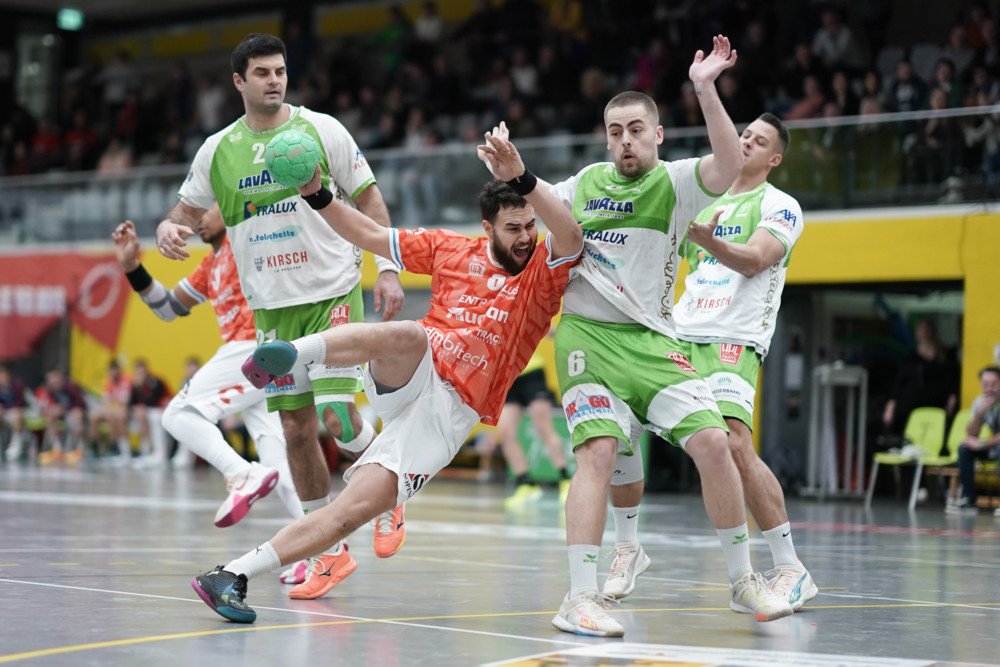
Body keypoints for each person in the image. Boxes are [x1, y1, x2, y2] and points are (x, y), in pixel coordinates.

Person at [190, 136, 583, 624]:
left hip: (450, 413)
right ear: (488, 229)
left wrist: (522, 176)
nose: (526, 236)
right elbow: (369, 234)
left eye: (530, 225)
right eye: (513, 228)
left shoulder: (543, 272)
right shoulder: (452, 249)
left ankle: (231, 575)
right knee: (407, 334)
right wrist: (318, 195)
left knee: (346, 513)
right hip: (416, 367)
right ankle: (292, 354)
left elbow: (570, 237)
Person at [485, 36, 793, 637]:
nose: (624, 140)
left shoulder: (678, 183)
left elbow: (729, 164)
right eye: (615, 131)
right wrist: (519, 178)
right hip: (586, 341)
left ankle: (742, 579)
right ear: (606, 138)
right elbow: (550, 218)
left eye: (635, 130)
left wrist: (705, 88)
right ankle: (579, 596)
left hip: (655, 340)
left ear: (656, 135)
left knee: (713, 441)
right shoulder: (584, 183)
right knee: (598, 454)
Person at [154, 33, 406, 598]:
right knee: (294, 430)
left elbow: (369, 199)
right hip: (272, 309)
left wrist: (387, 268)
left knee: (338, 416)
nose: (275, 80)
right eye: (262, 72)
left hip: (334, 291)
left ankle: (396, 490)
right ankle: (329, 553)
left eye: (281, 71)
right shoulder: (217, 150)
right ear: (239, 82)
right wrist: (169, 226)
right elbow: (186, 210)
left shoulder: (322, 130)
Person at [604, 113, 818, 612]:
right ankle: (628, 548)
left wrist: (705, 239)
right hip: (681, 330)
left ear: (775, 158)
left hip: (733, 339)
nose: (746, 143)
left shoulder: (781, 205)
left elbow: (754, 259)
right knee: (618, 423)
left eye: (759, 141)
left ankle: (790, 567)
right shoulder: (709, 196)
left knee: (735, 444)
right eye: (744, 135)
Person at [113, 209, 306, 538]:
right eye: (193, 212)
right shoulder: (209, 264)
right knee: (278, 465)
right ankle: (326, 549)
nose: (196, 219)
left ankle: (240, 473)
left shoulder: (247, 237)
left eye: (205, 209)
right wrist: (132, 266)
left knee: (176, 415)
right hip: (256, 367)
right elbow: (168, 308)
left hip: (254, 346)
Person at [500, 347, 573, 509]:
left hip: (532, 372)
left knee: (544, 428)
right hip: (509, 375)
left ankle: (565, 479)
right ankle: (526, 484)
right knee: (506, 433)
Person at [882, 317, 959, 439]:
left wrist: (951, 401)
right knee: (909, 437)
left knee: (934, 437)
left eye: (927, 330)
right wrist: (890, 407)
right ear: (916, 334)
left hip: (936, 406)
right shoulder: (911, 358)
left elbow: (952, 382)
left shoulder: (944, 357)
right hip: (911, 406)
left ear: (933, 332)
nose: (924, 334)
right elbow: (898, 384)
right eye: (921, 331)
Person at [946, 366, 1000, 516]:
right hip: (994, 446)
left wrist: (982, 444)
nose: (989, 389)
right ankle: (969, 499)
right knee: (964, 448)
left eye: (993, 384)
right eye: (985, 385)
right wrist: (980, 413)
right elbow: (971, 432)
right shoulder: (980, 402)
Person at [34, 369, 87, 465]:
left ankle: (80, 448)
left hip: (73, 411)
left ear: (60, 378)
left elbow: (81, 404)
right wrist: (54, 409)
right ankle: (57, 448)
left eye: (55, 381)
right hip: (61, 414)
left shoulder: (71, 387)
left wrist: (64, 408)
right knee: (50, 416)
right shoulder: (51, 389)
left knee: (78, 415)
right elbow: (49, 404)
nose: (53, 383)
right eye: (50, 381)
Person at [86, 360, 133, 465]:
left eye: (114, 370)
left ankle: (116, 448)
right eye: (110, 371)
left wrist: (111, 410)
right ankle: (94, 448)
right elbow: (105, 400)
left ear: (118, 370)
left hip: (124, 409)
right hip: (112, 409)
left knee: (117, 416)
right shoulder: (108, 382)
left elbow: (124, 402)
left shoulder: (126, 380)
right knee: (94, 417)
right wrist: (107, 409)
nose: (112, 373)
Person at [128, 359, 173, 467]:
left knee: (153, 417)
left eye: (142, 372)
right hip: (150, 412)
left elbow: (151, 401)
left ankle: (158, 453)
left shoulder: (154, 382)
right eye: (137, 373)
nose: (140, 375)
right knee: (140, 415)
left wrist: (139, 388)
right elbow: (131, 403)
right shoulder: (136, 384)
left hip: (164, 410)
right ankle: (146, 451)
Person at [0, 364, 29, 462]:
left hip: (20, 411)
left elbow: (21, 403)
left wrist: (5, 407)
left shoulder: (17, 385)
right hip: (4, 413)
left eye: (3, 374)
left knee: (16, 414)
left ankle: (16, 444)